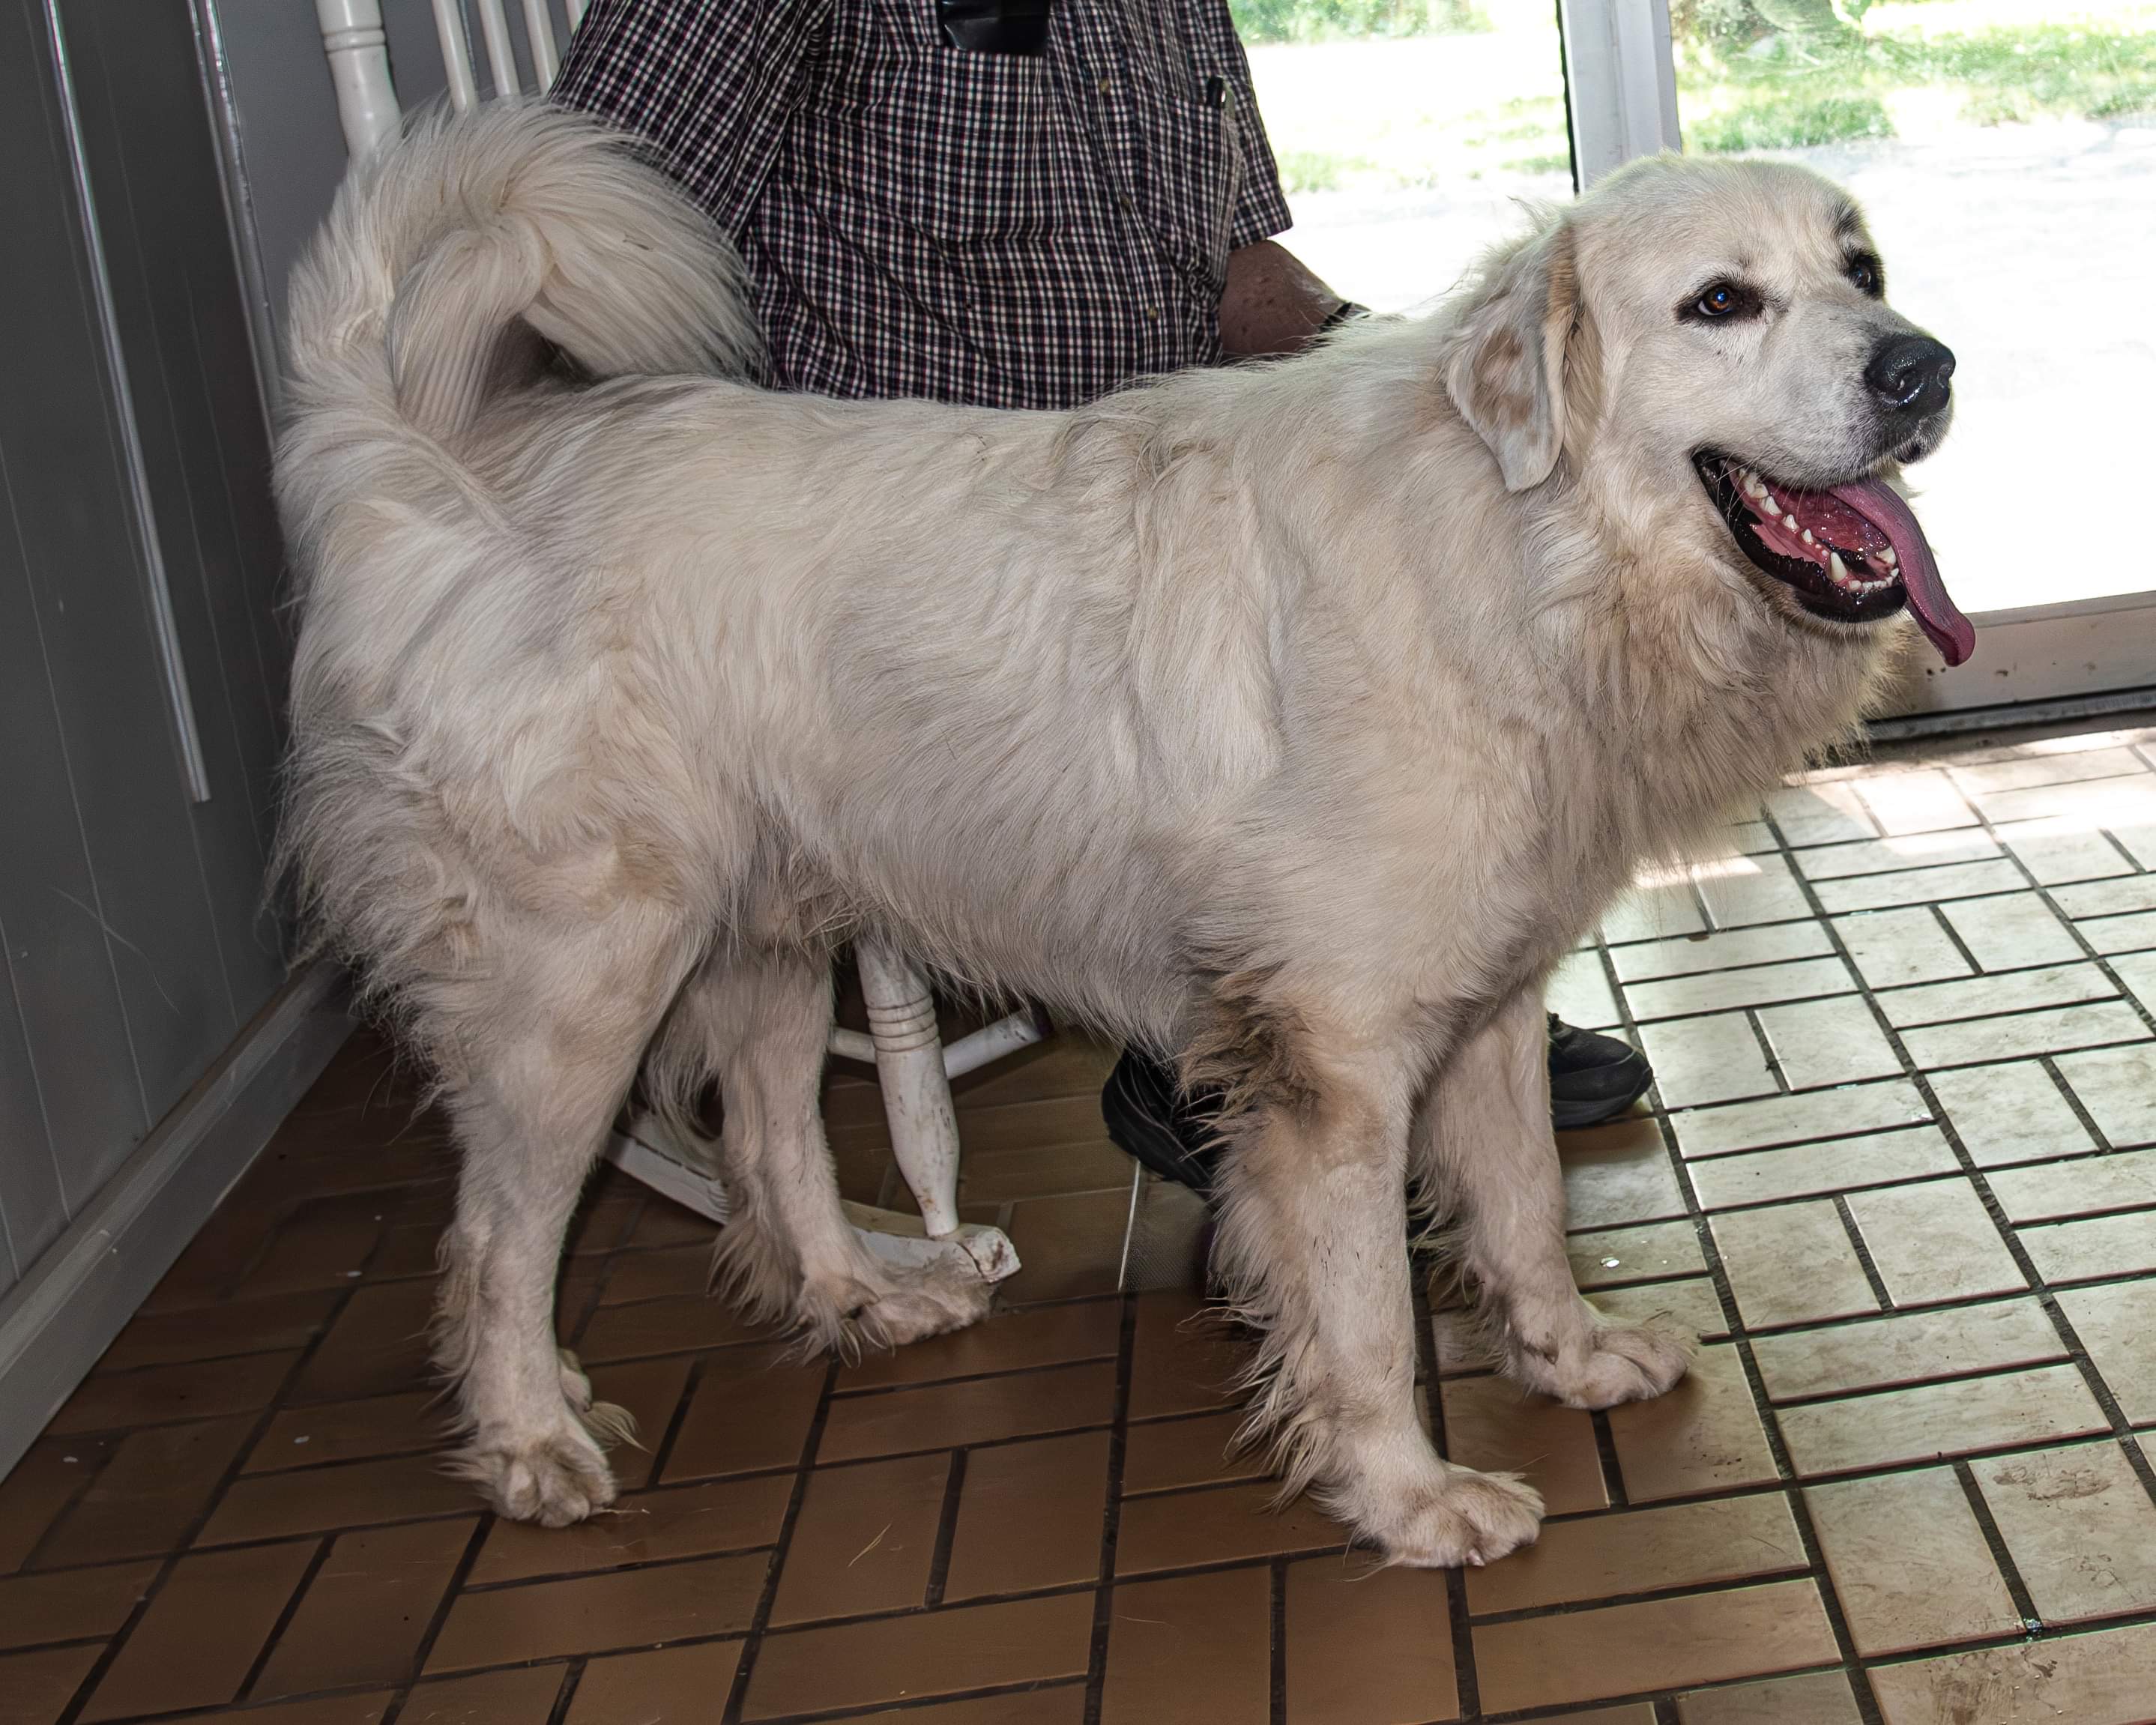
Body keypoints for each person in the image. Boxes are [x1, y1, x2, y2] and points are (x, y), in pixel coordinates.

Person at [550, 0, 1653, 1190]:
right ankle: (1264, 1014)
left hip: (1163, 516)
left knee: (1469, 576)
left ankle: (1339, 985)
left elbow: (1237, 274)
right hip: (911, 555)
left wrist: (1399, 366)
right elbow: (585, 244)